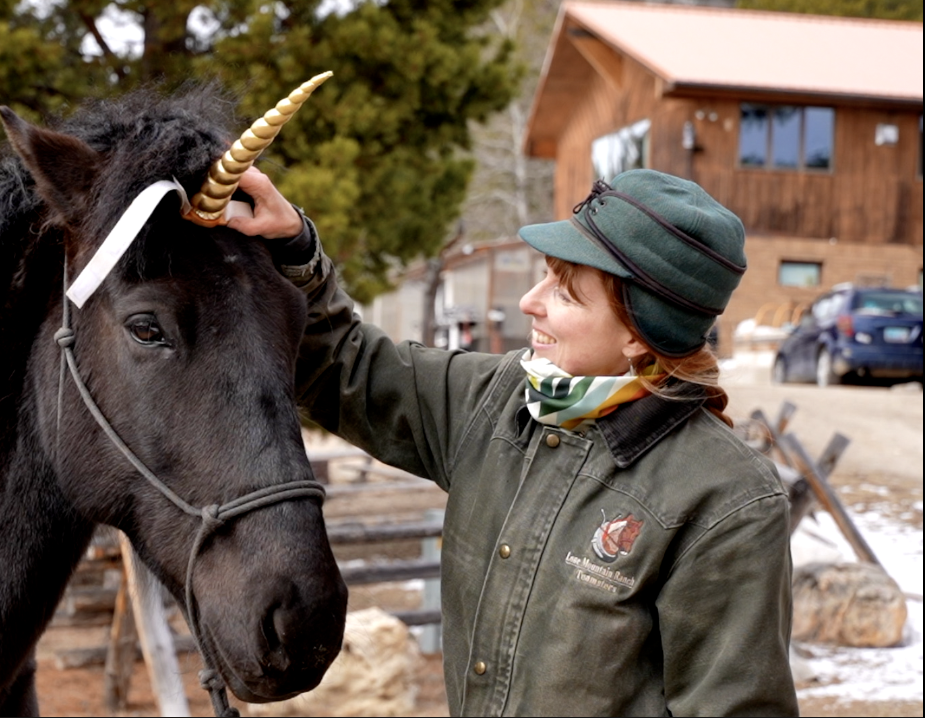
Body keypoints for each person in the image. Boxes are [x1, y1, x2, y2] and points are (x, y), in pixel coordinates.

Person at [228, 167, 798, 716]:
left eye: (567, 293)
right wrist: (295, 248)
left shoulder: (728, 503)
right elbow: (342, 365)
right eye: (546, 273)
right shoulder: (494, 399)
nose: (531, 300)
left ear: (639, 335)